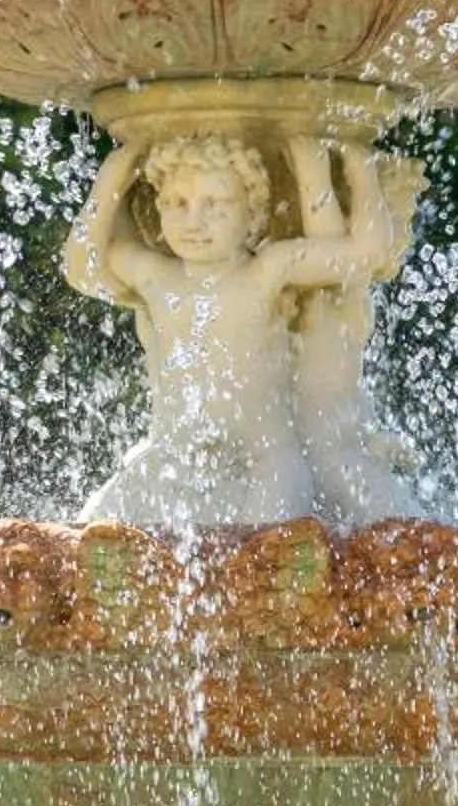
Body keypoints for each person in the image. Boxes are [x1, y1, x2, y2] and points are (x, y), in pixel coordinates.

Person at [64, 132, 404, 526]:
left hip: (266, 460)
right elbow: (81, 268)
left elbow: (365, 255)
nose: (194, 221)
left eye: (215, 204)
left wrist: (357, 167)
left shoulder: (266, 272)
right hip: (176, 458)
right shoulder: (156, 275)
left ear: (253, 210)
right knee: (93, 536)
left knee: (272, 550)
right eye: (177, 203)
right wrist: (113, 175)